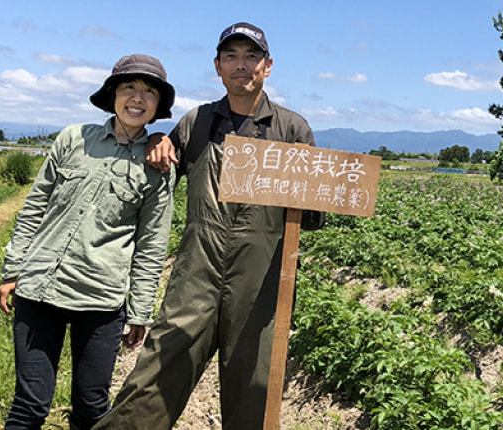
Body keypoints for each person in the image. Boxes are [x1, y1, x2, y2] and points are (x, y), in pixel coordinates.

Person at [93, 22, 320, 430]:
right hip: (198, 268)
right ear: (217, 67)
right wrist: (157, 139)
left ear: (268, 67)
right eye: (231, 57)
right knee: (160, 368)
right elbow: (159, 175)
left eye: (252, 57)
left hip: (260, 276)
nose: (241, 65)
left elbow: (314, 216)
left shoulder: (292, 129)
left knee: (253, 381)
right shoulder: (195, 123)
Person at [0, 54, 176, 430]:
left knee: (91, 406)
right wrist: (12, 271)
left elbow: (151, 245)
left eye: (149, 92)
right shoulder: (74, 138)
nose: (137, 98)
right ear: (112, 94)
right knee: (29, 404)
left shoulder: (157, 168)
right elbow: (34, 208)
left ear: (158, 106)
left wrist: (140, 310)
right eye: (129, 87)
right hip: (40, 289)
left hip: (100, 300)